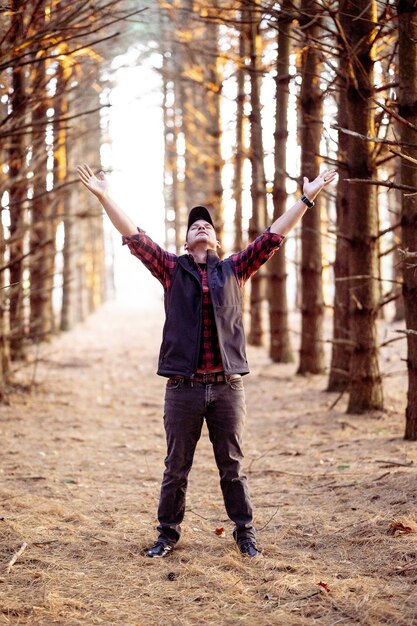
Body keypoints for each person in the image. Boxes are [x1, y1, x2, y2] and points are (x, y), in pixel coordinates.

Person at [76, 163, 336, 559]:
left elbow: (274, 236)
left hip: (228, 388)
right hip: (183, 389)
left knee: (232, 465)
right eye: (195, 225)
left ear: (215, 240)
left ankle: (244, 533)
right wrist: (105, 196)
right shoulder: (171, 271)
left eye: (208, 226)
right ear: (185, 242)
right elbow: (133, 236)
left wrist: (307, 196)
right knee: (175, 467)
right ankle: (167, 535)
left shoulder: (234, 269)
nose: (202, 227)